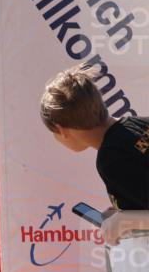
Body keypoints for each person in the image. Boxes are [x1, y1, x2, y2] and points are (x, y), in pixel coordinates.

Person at [40, 64, 149, 243]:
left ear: (62, 130)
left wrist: (125, 220)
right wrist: (126, 212)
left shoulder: (111, 159)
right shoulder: (139, 123)